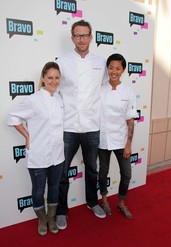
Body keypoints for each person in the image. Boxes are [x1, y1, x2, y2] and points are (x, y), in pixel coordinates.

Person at [56, 19, 107, 230]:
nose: (82, 39)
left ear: (91, 37)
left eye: (85, 35)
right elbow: (54, 89)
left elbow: (103, 89)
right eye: (77, 35)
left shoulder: (101, 62)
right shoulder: (62, 61)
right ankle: (61, 210)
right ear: (72, 38)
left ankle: (92, 202)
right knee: (62, 171)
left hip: (92, 125)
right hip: (68, 125)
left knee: (92, 170)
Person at [7, 62, 64, 236]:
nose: (54, 81)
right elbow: (12, 117)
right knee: (38, 190)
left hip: (58, 154)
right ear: (43, 78)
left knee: (54, 188)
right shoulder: (33, 100)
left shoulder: (60, 98)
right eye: (50, 78)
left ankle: (51, 217)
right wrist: (27, 135)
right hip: (38, 154)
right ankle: (42, 219)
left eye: (57, 78)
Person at [98, 53, 137, 219]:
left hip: (121, 140)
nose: (114, 71)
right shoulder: (100, 90)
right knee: (103, 173)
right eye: (111, 68)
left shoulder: (128, 91)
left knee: (126, 174)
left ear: (123, 70)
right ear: (107, 69)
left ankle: (121, 202)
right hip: (103, 139)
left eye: (118, 68)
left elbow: (131, 120)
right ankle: (104, 199)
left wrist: (128, 144)